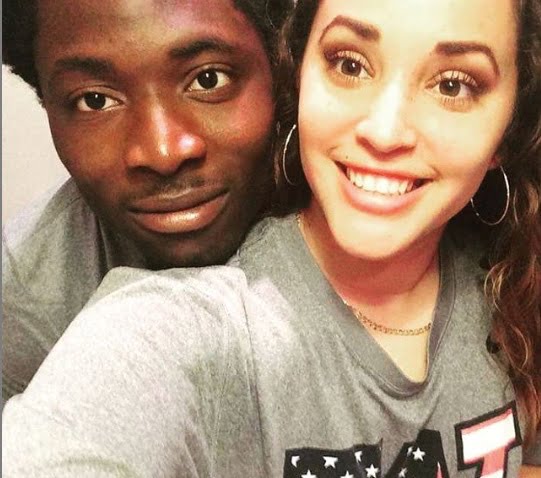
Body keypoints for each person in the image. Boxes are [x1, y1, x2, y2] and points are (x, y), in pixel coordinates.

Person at [3, 0, 541, 476]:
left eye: (453, 85)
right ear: (301, 71)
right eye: (351, 65)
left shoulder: (508, 272)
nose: (164, 152)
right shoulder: (159, 323)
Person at [1, 0, 291, 401]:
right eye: (95, 100)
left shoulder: (371, 212)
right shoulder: (25, 296)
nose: (163, 152)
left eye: (208, 79)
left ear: (280, 61)